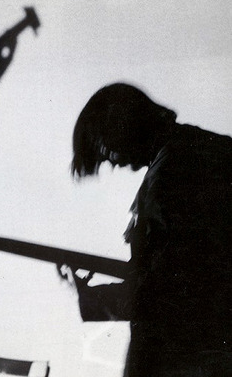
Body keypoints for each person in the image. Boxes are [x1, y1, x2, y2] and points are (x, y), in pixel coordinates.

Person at [69, 83, 232, 377]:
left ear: (122, 129)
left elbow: (170, 293)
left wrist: (95, 299)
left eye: (106, 149)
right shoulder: (203, 147)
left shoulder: (168, 175)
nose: (111, 161)